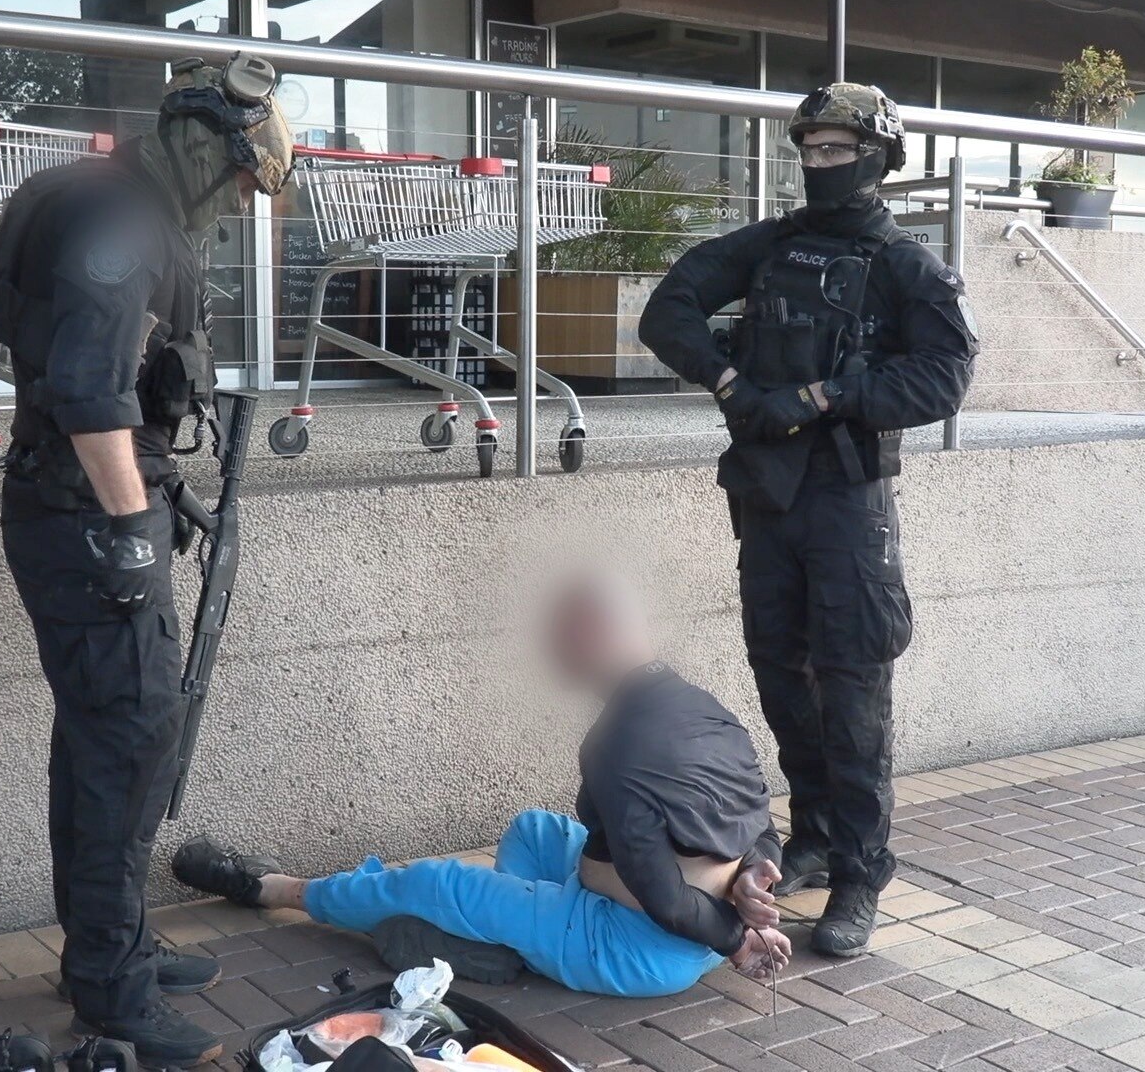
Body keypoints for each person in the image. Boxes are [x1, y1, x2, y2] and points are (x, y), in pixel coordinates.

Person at [0, 53, 294, 1068]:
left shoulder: (97, 192)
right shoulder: (123, 224)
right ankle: (112, 987)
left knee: (102, 743)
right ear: (207, 149)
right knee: (129, 749)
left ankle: (110, 946)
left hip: (74, 509)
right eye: (241, 178)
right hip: (85, 517)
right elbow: (90, 395)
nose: (241, 200)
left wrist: (164, 494)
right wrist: (133, 532)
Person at [638, 83, 978, 958]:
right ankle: (817, 835)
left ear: (879, 158)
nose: (823, 166)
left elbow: (943, 378)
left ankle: (863, 868)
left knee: (854, 684)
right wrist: (730, 385)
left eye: (840, 151)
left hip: (848, 503)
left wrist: (825, 396)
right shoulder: (768, 248)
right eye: (811, 152)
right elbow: (668, 308)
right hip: (766, 499)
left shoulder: (908, 266)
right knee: (780, 671)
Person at [170, 574, 794, 999]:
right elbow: (761, 820)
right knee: (533, 829)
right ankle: (500, 942)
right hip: (687, 922)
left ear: (586, 640)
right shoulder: (705, 707)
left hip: (639, 947)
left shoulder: (617, 748)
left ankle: (275, 890)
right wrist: (753, 872)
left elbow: (660, 894)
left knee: (436, 882)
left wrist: (739, 941)